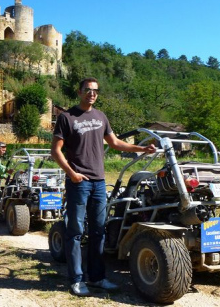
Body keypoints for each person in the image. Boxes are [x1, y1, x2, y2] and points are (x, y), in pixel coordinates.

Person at [51, 77, 156, 297]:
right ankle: (77, 280)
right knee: (75, 231)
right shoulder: (66, 117)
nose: (92, 94)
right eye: (88, 90)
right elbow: (56, 151)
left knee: (99, 231)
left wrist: (142, 148)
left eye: (95, 91)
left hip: (98, 182)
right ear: (79, 92)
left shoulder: (101, 117)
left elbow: (116, 143)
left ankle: (97, 278)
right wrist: (71, 173)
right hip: (78, 182)